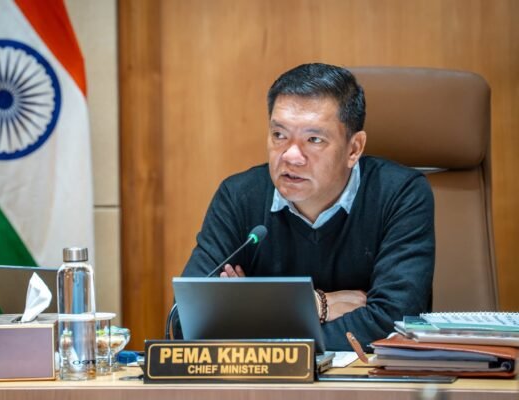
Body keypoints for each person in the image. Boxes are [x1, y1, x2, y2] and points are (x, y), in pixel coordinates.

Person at [180, 63, 435, 350]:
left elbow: (394, 321)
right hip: (269, 379)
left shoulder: (400, 193)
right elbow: (186, 321)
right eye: (279, 135)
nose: (290, 156)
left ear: (354, 149)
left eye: (314, 139)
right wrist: (317, 305)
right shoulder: (238, 196)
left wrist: (250, 315)